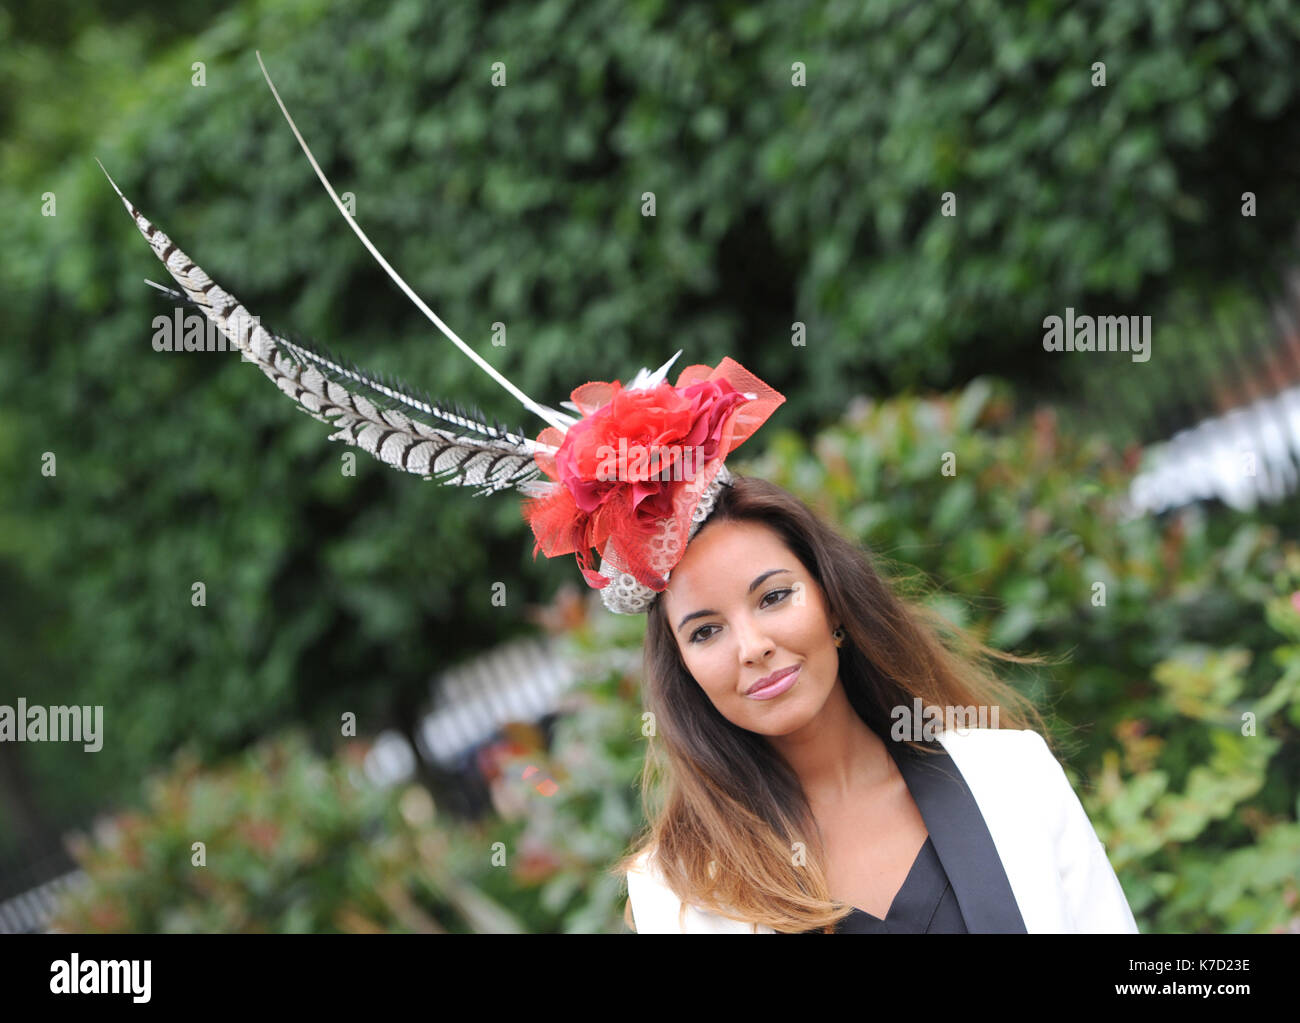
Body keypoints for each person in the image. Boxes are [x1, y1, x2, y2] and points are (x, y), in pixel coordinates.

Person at [613, 474, 1140, 934]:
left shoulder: (1011, 774)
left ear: (832, 601)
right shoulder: (677, 891)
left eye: (773, 597)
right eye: (706, 631)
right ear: (683, 668)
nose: (752, 648)